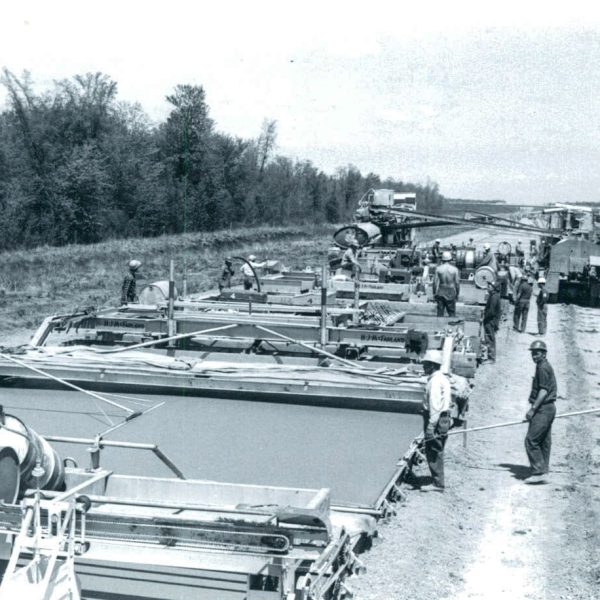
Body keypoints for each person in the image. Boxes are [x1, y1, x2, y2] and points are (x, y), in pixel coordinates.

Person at [524, 340, 557, 482]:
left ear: (544, 354)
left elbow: (543, 391)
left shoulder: (543, 367)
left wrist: (532, 409)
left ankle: (538, 472)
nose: (534, 356)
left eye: (536, 354)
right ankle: (543, 469)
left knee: (531, 440)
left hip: (544, 408)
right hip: (548, 408)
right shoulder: (542, 365)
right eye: (532, 353)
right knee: (544, 440)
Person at [420, 350, 452, 492]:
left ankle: (438, 484)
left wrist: (430, 427)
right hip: (443, 418)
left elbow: (435, 406)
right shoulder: (442, 378)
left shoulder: (434, 382)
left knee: (433, 449)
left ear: (432, 365)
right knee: (436, 448)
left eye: (425, 364)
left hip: (436, 418)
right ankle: (437, 480)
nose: (423, 367)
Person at [433, 251, 460, 317]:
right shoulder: (455, 269)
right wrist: (457, 294)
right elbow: (457, 283)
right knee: (451, 313)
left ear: (442, 260)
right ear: (450, 260)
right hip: (450, 292)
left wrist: (434, 293)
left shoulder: (438, 269)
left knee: (440, 314)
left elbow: (435, 283)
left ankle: (439, 326)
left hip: (441, 292)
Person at [482, 280, 502, 362]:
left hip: (491, 320)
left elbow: (491, 311)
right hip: (491, 320)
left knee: (490, 338)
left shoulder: (494, 297)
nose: (488, 287)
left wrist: (484, 317)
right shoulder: (494, 295)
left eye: (490, 286)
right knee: (489, 337)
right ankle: (490, 356)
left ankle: (491, 357)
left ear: (494, 288)